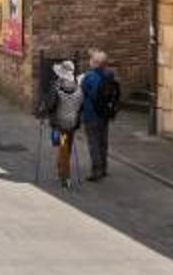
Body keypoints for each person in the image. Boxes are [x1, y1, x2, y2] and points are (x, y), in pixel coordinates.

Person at [35, 55, 82, 187]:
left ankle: (65, 176)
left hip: (60, 124)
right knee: (66, 147)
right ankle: (61, 167)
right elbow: (80, 105)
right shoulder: (78, 88)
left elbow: (50, 104)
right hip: (72, 123)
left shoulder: (56, 87)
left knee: (63, 147)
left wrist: (42, 113)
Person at [77, 49, 123, 182]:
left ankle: (96, 170)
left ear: (95, 63)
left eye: (91, 60)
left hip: (91, 114)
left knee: (94, 143)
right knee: (103, 141)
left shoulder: (89, 77)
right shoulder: (110, 75)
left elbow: (81, 93)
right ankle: (103, 168)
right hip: (105, 113)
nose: (89, 62)